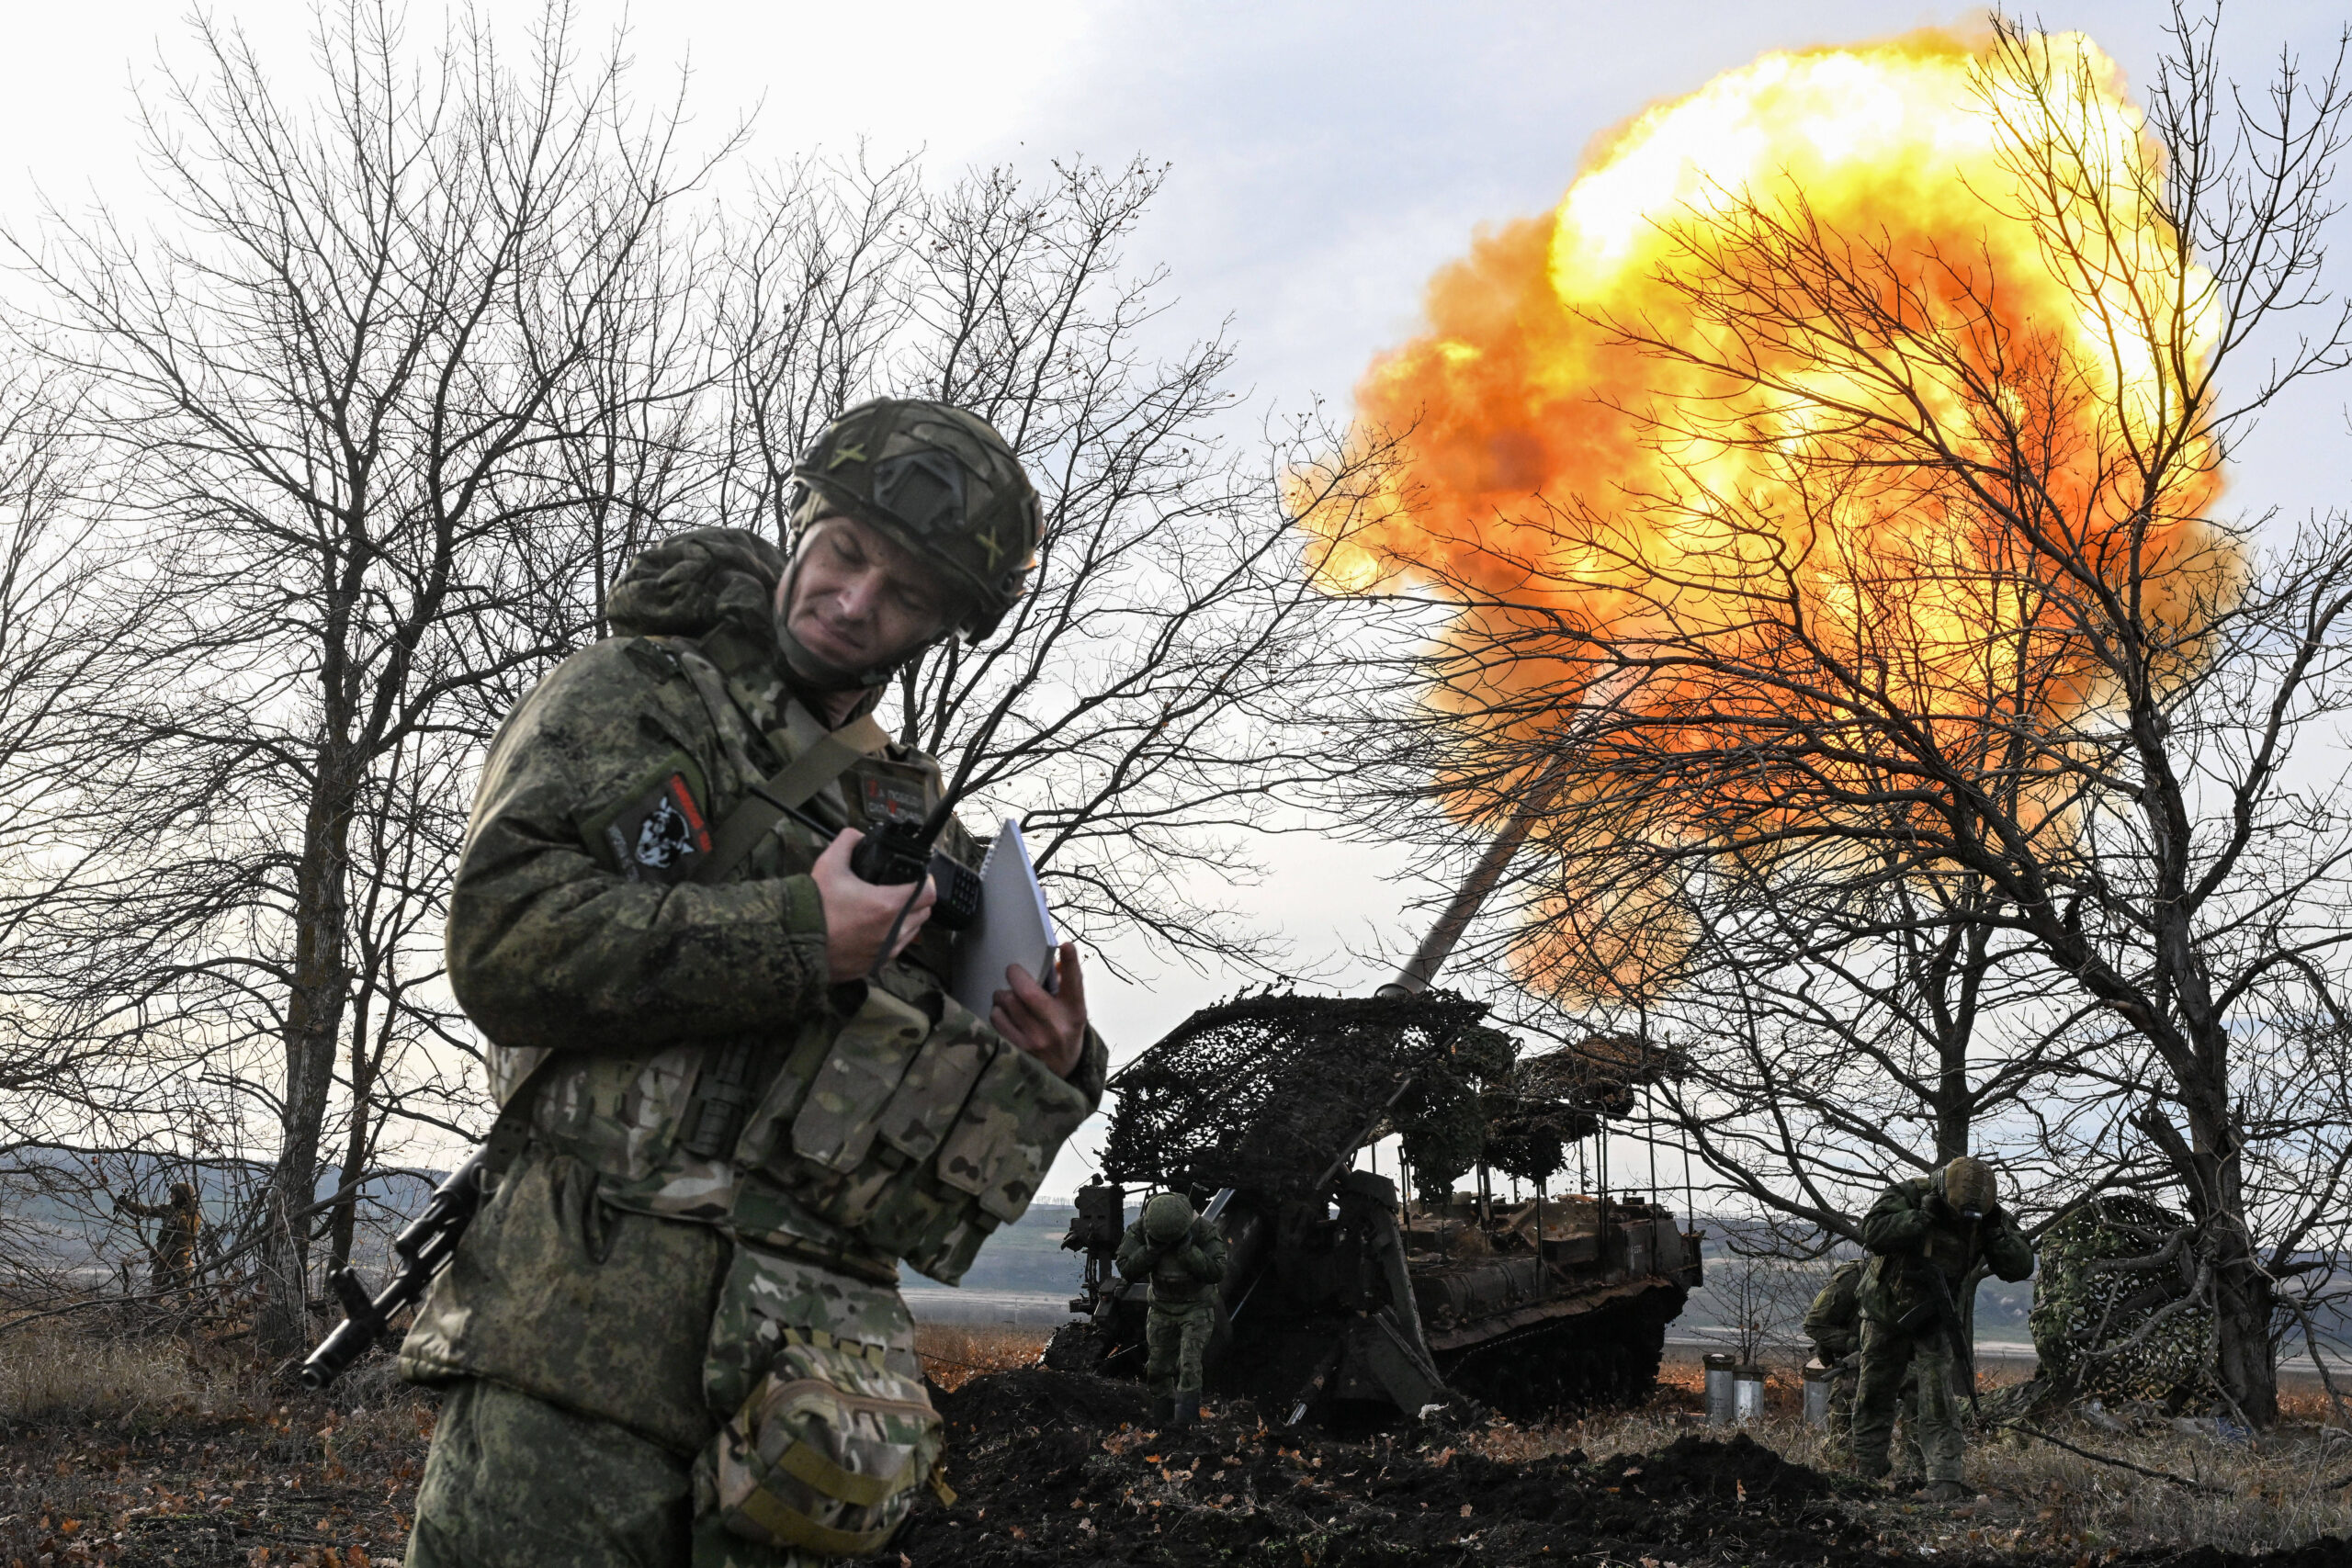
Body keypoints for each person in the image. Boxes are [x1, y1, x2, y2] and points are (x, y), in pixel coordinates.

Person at [396, 399, 1109, 1568]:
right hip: (576, 1367)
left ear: (938, 625)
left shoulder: (900, 809)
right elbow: (504, 944)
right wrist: (796, 936)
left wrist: (1041, 1056)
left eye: (906, 594)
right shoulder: (636, 696)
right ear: (805, 524)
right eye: (846, 554)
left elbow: (900, 1094)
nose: (854, 601)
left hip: (803, 1406)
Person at [1851, 1156, 2034, 1504]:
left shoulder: (1987, 1215)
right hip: (1885, 1309)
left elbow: (2019, 1265)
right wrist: (1919, 1219)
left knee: (1937, 1398)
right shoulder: (1911, 1194)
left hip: (1936, 1313)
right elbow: (1872, 1232)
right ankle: (1868, 1470)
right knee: (1874, 1392)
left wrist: (1996, 1232)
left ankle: (1944, 1479)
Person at [1117, 1190, 1227, 1428]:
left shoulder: (1203, 1230)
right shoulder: (1141, 1229)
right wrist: (1150, 1251)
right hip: (1161, 1307)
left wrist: (1188, 1252)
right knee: (1157, 1368)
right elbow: (1126, 1268)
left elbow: (1217, 1271)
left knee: (1188, 1365)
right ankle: (1163, 1424)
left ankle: (1186, 1425)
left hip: (1196, 1307)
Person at [1804, 1257, 1922, 1481]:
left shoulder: (1917, 1274)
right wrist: (1852, 1344)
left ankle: (1915, 1472)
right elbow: (1813, 1324)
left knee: (1918, 1398)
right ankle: (1852, 1474)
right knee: (1846, 1409)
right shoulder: (1854, 1278)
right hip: (1854, 1364)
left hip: (1900, 1357)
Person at [116, 1181, 203, 1292]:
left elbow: (188, 1232)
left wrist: (180, 1213)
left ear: (181, 1196)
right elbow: (147, 1211)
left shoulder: (193, 1213)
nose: (170, 1196)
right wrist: (128, 1204)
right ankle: (153, 1309)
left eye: (174, 1194)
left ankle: (189, 1310)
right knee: (155, 1291)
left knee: (184, 1292)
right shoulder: (170, 1209)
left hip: (181, 1259)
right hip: (164, 1256)